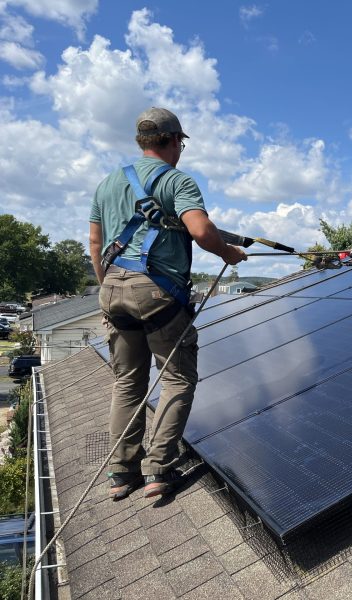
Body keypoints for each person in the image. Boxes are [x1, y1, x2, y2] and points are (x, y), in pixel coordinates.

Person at [89, 107, 247, 500]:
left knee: (127, 382)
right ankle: (160, 468)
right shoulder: (178, 181)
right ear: (175, 141)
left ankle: (122, 474)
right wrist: (228, 252)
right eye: (182, 143)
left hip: (112, 289)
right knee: (177, 378)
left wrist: (107, 286)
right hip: (157, 294)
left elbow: (95, 243)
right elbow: (200, 229)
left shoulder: (107, 183)